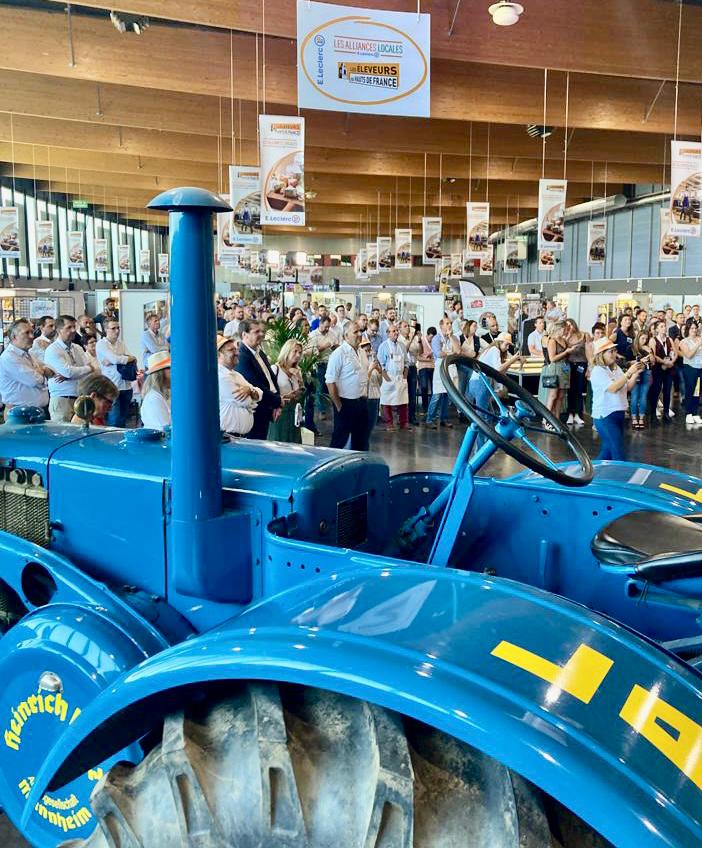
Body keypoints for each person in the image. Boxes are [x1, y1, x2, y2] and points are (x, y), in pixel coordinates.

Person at [589, 337, 645, 460]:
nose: (614, 354)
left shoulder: (616, 369)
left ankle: (591, 475)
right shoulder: (598, 371)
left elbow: (627, 387)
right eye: (611, 351)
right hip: (605, 416)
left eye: (615, 350)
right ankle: (622, 477)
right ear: (601, 354)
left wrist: (636, 373)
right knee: (618, 452)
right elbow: (613, 388)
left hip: (618, 413)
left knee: (607, 452)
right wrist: (629, 373)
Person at [467, 332, 521, 443]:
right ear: (500, 342)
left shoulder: (490, 350)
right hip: (481, 383)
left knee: (487, 416)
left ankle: (485, 444)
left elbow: (499, 372)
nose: (507, 347)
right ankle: (481, 448)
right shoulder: (495, 350)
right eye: (507, 344)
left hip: (478, 383)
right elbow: (498, 370)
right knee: (482, 418)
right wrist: (512, 360)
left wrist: (511, 361)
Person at [325, 321, 369, 451]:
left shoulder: (361, 352)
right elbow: (330, 381)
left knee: (361, 440)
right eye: (355, 332)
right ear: (346, 336)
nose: (359, 334)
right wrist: (339, 406)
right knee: (340, 439)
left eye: (360, 331)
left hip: (361, 402)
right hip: (345, 403)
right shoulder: (339, 353)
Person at [236, 319, 281, 440]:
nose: (261, 334)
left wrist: (277, 402)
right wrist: (277, 401)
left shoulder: (259, 352)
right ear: (245, 335)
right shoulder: (242, 356)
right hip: (255, 411)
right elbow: (255, 384)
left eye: (262, 331)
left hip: (266, 407)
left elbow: (271, 378)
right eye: (256, 332)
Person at [45, 315, 95, 422]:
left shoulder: (77, 348)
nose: (73, 330)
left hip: (80, 398)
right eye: (69, 327)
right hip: (62, 400)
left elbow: (91, 370)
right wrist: (80, 371)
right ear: (59, 330)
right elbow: (68, 371)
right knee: (63, 436)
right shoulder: (53, 350)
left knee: (81, 434)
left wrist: (72, 373)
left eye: (74, 327)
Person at [0, 318, 50, 416]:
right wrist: (42, 373)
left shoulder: (29, 354)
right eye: (26, 333)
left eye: (32, 332)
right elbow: (34, 380)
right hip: (19, 413)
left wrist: (40, 371)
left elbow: (51, 369)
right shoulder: (9, 357)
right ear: (14, 337)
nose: (32, 336)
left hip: (37, 412)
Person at [217, 335, 261, 437]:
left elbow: (260, 394)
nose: (237, 353)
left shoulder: (237, 375)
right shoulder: (220, 376)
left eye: (236, 349)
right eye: (231, 350)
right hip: (227, 437)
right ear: (219, 354)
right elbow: (246, 401)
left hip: (239, 437)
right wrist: (253, 396)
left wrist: (250, 390)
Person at [96, 318, 137, 427]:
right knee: (114, 421)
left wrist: (118, 359)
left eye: (118, 328)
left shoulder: (121, 343)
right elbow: (115, 359)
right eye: (113, 328)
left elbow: (132, 358)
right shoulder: (101, 344)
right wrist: (120, 359)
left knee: (123, 421)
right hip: (112, 387)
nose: (117, 331)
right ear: (105, 330)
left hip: (126, 386)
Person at [425, 318, 460, 429]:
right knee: (437, 395)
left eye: (450, 323)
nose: (449, 325)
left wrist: (450, 337)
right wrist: (451, 353)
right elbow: (439, 353)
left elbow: (458, 351)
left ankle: (444, 418)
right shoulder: (436, 338)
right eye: (447, 323)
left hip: (451, 367)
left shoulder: (453, 337)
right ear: (441, 325)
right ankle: (430, 419)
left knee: (446, 395)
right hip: (440, 367)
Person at [269, 340, 304, 443]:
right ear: (287, 351)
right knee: (278, 441)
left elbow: (301, 393)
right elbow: (270, 393)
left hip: (294, 412)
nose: (298, 355)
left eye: (300, 352)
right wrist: (286, 396)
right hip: (279, 411)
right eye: (295, 351)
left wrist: (298, 378)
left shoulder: (297, 370)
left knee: (294, 442)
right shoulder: (275, 369)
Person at [378, 324, 410, 431]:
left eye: (397, 330)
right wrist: (387, 379)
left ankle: (403, 423)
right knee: (387, 401)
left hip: (400, 377)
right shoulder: (383, 346)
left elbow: (406, 363)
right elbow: (380, 364)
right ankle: (389, 423)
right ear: (388, 333)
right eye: (393, 331)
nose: (396, 332)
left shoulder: (402, 346)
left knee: (403, 401)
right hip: (389, 377)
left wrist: (404, 377)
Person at [539, 321, 571, 427]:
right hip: (555, 369)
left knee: (561, 395)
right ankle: (546, 418)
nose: (567, 331)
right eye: (566, 329)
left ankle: (557, 418)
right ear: (560, 328)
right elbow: (552, 358)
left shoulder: (564, 340)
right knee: (553, 395)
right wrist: (566, 352)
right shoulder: (552, 340)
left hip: (564, 369)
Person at [649, 319, 677, 424]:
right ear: (656, 329)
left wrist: (671, 362)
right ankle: (652, 415)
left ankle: (666, 412)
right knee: (656, 391)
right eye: (661, 326)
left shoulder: (669, 339)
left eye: (664, 326)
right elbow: (654, 355)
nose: (664, 328)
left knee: (667, 391)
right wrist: (664, 362)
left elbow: (675, 352)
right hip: (658, 369)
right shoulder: (653, 340)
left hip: (669, 369)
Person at [139, 350, 171, 431]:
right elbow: (165, 429)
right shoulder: (153, 398)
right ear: (160, 373)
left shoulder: (164, 393)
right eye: (169, 368)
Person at [564, 319, 588, 426]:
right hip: (569, 364)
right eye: (567, 325)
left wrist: (589, 366)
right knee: (570, 389)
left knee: (578, 389)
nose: (569, 327)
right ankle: (570, 413)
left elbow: (588, 350)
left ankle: (578, 414)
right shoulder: (564, 337)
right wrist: (567, 336)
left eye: (571, 324)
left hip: (581, 364)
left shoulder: (583, 335)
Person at [398, 320, 422, 426]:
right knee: (403, 392)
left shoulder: (414, 338)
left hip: (412, 367)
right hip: (402, 368)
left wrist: (420, 340)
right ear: (400, 329)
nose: (408, 327)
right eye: (405, 326)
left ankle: (412, 416)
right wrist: (411, 338)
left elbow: (420, 352)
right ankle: (402, 417)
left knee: (412, 393)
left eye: (408, 326)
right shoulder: (399, 339)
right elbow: (404, 351)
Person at [680, 322, 702, 424]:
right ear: (688, 329)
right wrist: (698, 344)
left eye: (695, 328)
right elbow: (689, 355)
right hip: (690, 368)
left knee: (697, 391)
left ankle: (695, 413)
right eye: (691, 328)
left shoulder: (699, 339)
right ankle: (688, 413)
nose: (694, 330)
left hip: (700, 368)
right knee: (690, 390)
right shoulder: (684, 342)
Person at [630, 331, 653, 429]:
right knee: (635, 396)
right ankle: (634, 418)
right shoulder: (631, 348)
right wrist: (639, 361)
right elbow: (626, 362)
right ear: (638, 337)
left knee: (643, 396)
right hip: (635, 373)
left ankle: (641, 418)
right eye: (642, 338)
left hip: (647, 372)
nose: (644, 340)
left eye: (646, 339)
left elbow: (653, 362)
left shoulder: (647, 348)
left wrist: (650, 352)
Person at [361, 337, 382, 436]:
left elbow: (380, 382)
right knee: (364, 426)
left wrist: (379, 371)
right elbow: (363, 382)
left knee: (372, 425)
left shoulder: (373, 363)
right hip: (366, 398)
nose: (369, 353)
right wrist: (370, 370)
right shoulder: (360, 364)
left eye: (369, 350)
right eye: (366, 351)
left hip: (375, 396)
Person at [417, 325, 435, 416]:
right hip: (423, 366)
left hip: (432, 366)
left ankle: (432, 409)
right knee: (423, 387)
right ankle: (425, 408)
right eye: (431, 337)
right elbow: (419, 355)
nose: (431, 339)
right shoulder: (422, 340)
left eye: (433, 337)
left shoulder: (435, 341)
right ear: (428, 335)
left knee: (433, 388)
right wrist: (427, 359)